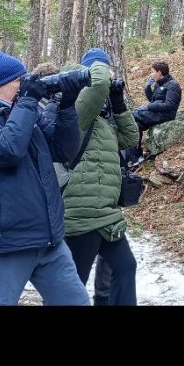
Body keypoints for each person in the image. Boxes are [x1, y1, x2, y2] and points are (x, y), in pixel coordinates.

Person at [0, 44, 90, 305]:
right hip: (6, 242)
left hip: (48, 238)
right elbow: (8, 149)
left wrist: (67, 107)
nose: (24, 84)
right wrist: (28, 101)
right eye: (18, 80)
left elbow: (64, 151)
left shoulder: (25, 111)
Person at [61, 48, 140, 306]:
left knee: (125, 267)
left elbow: (130, 138)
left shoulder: (101, 119)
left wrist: (118, 103)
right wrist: (100, 70)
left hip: (105, 214)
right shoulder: (75, 111)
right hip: (81, 213)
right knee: (73, 285)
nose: (109, 76)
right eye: (105, 70)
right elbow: (96, 88)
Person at [124, 60, 182, 165]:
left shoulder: (173, 85)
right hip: (156, 112)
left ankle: (133, 156)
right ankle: (135, 156)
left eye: (154, 71)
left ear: (159, 72)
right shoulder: (159, 84)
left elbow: (169, 105)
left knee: (131, 117)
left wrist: (150, 106)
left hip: (165, 115)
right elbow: (152, 100)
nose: (152, 74)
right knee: (135, 125)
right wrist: (147, 88)